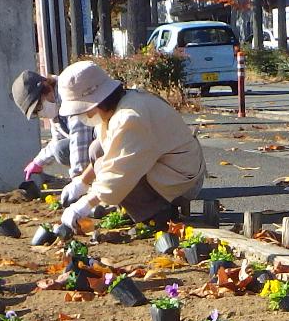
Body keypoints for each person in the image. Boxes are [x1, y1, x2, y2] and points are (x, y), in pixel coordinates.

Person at [53, 61, 204, 230]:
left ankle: (156, 216)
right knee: (97, 149)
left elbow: (119, 172)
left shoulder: (130, 118)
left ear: (95, 101)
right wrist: (81, 182)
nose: (84, 114)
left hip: (182, 182)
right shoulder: (118, 107)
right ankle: (137, 209)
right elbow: (107, 153)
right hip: (169, 170)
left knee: (113, 171)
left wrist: (84, 205)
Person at [8, 69, 97, 197]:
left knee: (93, 149)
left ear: (46, 87)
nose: (41, 113)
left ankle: (97, 182)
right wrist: (38, 162)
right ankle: (92, 179)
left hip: (107, 138)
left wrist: (78, 181)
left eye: (38, 107)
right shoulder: (55, 109)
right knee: (60, 149)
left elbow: (80, 136)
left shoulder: (68, 92)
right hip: (94, 144)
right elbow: (58, 142)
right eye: (36, 113)